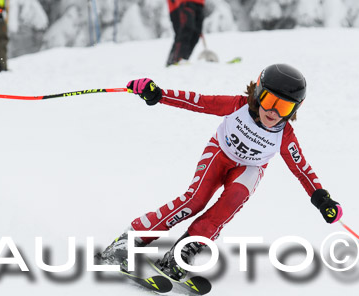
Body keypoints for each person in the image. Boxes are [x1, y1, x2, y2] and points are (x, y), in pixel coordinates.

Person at [100, 64, 343, 280]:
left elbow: (301, 169)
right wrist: (158, 94)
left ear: (295, 109)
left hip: (249, 168)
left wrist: (322, 199)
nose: (274, 113)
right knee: (195, 201)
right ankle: (130, 240)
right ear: (258, 93)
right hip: (220, 154)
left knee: (228, 206)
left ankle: (183, 252)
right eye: (270, 101)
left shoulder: (284, 135)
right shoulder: (238, 106)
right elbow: (197, 101)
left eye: (284, 107)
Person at [166, 0, 205, 66]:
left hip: (199, 3)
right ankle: (176, 61)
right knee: (186, 30)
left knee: (195, 34)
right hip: (182, 3)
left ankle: (182, 60)